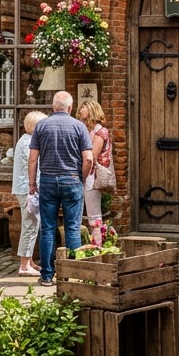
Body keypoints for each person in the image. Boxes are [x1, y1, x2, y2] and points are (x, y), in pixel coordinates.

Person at [28, 91, 93, 287]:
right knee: (73, 227)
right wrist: (80, 179)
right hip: (72, 179)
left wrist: (32, 183)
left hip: (47, 179)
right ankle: (72, 273)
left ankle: (47, 275)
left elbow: (32, 159)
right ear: (70, 108)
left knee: (47, 228)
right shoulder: (79, 126)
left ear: (53, 107)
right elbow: (88, 158)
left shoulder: (41, 126)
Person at [12, 109, 48, 276]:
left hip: (27, 188)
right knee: (30, 225)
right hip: (28, 189)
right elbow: (34, 166)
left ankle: (29, 260)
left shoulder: (26, 140)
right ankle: (24, 264)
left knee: (33, 224)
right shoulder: (29, 143)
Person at [77, 98, 111, 246]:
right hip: (82, 174)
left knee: (94, 214)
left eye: (82, 108)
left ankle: (98, 245)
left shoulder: (100, 131)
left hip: (92, 176)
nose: (79, 111)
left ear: (91, 110)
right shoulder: (84, 129)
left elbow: (93, 155)